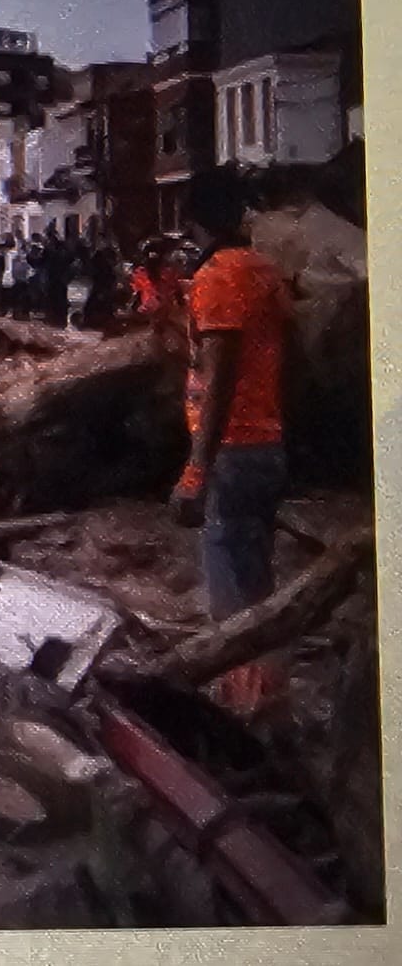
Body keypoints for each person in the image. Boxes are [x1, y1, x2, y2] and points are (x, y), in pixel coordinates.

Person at [167, 165, 292, 718]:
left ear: (190, 218)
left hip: (233, 452)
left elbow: (218, 378)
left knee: (232, 595)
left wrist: (195, 472)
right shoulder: (265, 270)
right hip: (268, 446)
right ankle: (270, 696)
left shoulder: (218, 277)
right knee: (259, 580)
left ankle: (243, 712)